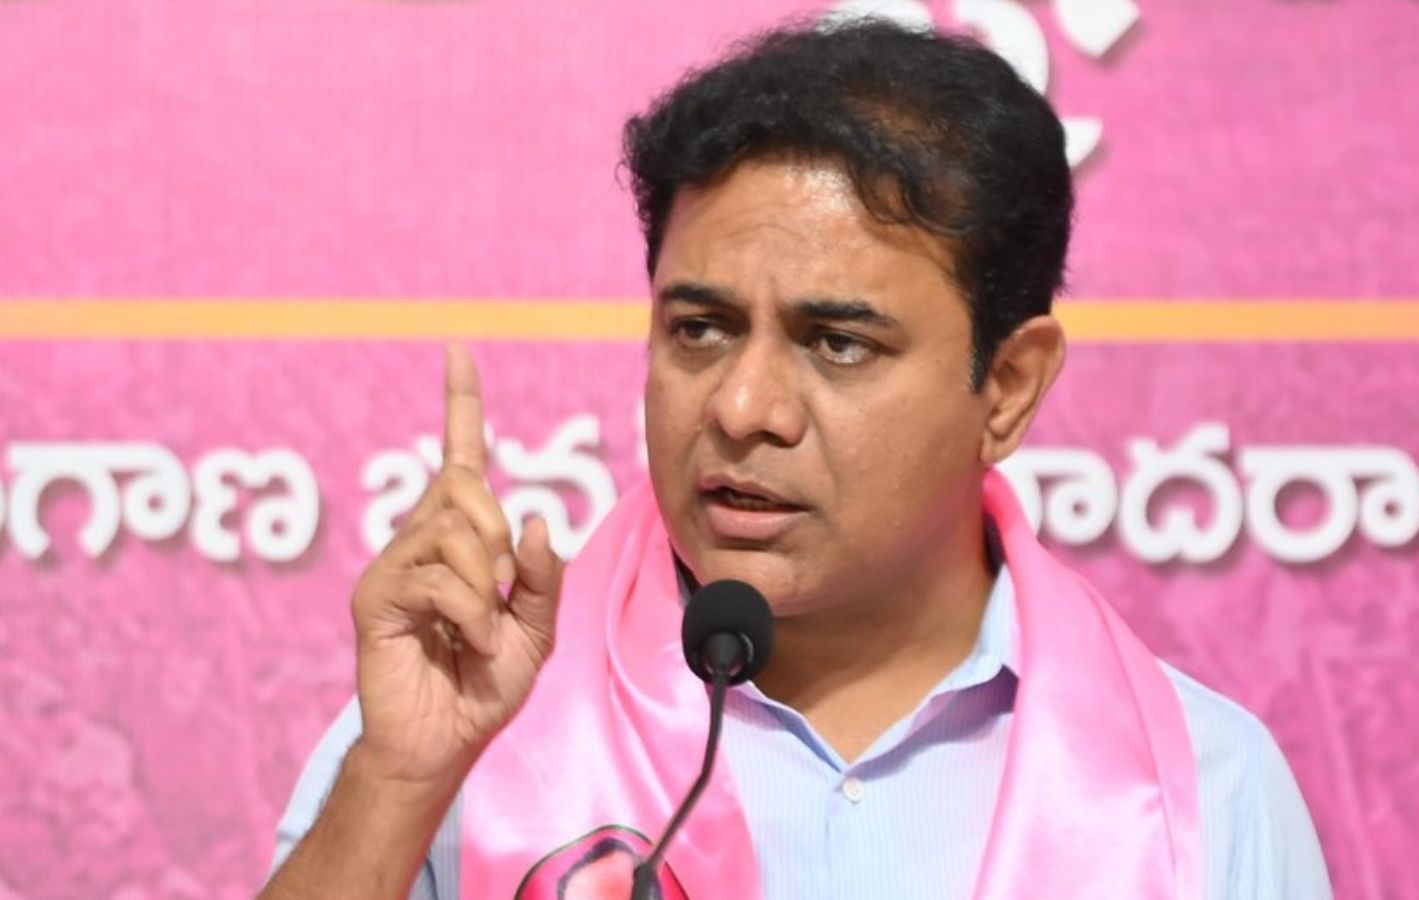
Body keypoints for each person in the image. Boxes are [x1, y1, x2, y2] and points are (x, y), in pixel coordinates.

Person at [260, 19, 1332, 900]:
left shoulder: (1201, 788)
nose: (742, 409)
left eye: (838, 344)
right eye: (700, 330)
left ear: (1007, 387)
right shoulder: (466, 725)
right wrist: (395, 785)